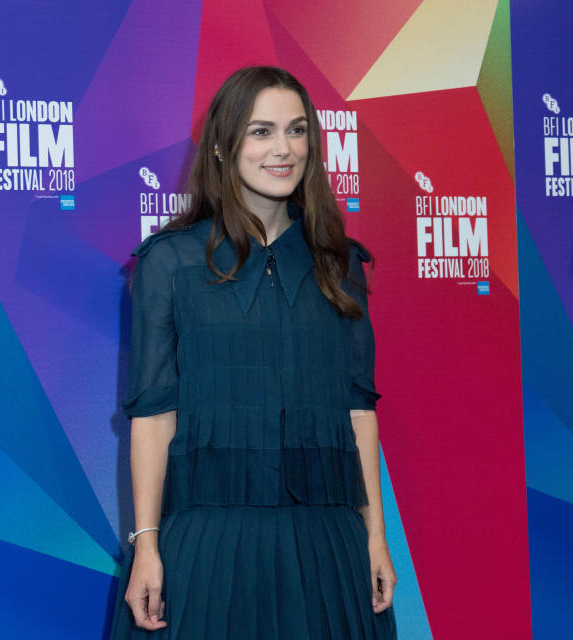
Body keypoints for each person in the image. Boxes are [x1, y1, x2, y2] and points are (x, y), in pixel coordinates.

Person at [111, 66, 397, 639]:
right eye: (261, 131)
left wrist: (375, 537)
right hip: (208, 542)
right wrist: (147, 545)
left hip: (327, 547)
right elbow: (153, 415)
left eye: (296, 131)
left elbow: (358, 412)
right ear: (223, 144)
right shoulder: (170, 263)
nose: (284, 149)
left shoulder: (339, 265)